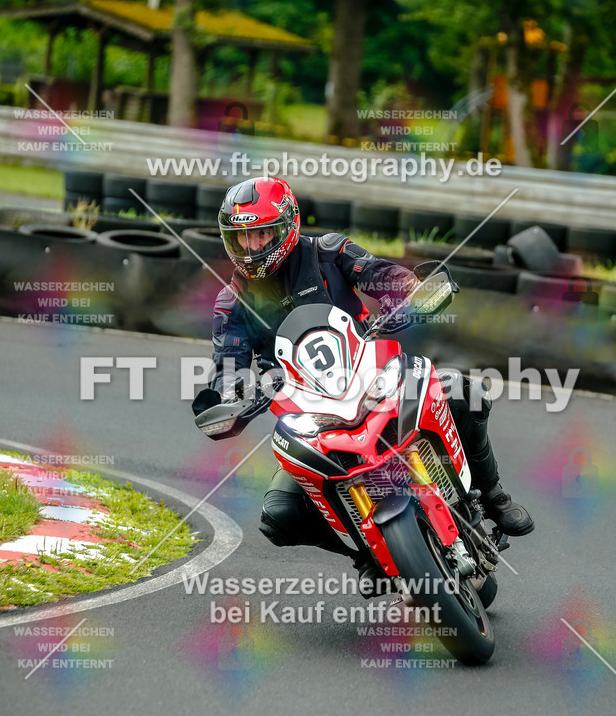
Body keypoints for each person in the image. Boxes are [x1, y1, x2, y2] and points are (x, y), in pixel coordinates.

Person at [192, 177, 534, 590]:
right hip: (310, 414)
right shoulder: (232, 303)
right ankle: (370, 553)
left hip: (374, 374)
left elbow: (381, 274)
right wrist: (231, 396)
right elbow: (228, 365)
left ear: (286, 226)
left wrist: (409, 293)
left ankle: (493, 495)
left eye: (261, 234)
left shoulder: (328, 251)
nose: (251, 248)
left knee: (468, 394)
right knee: (278, 515)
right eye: (240, 238)